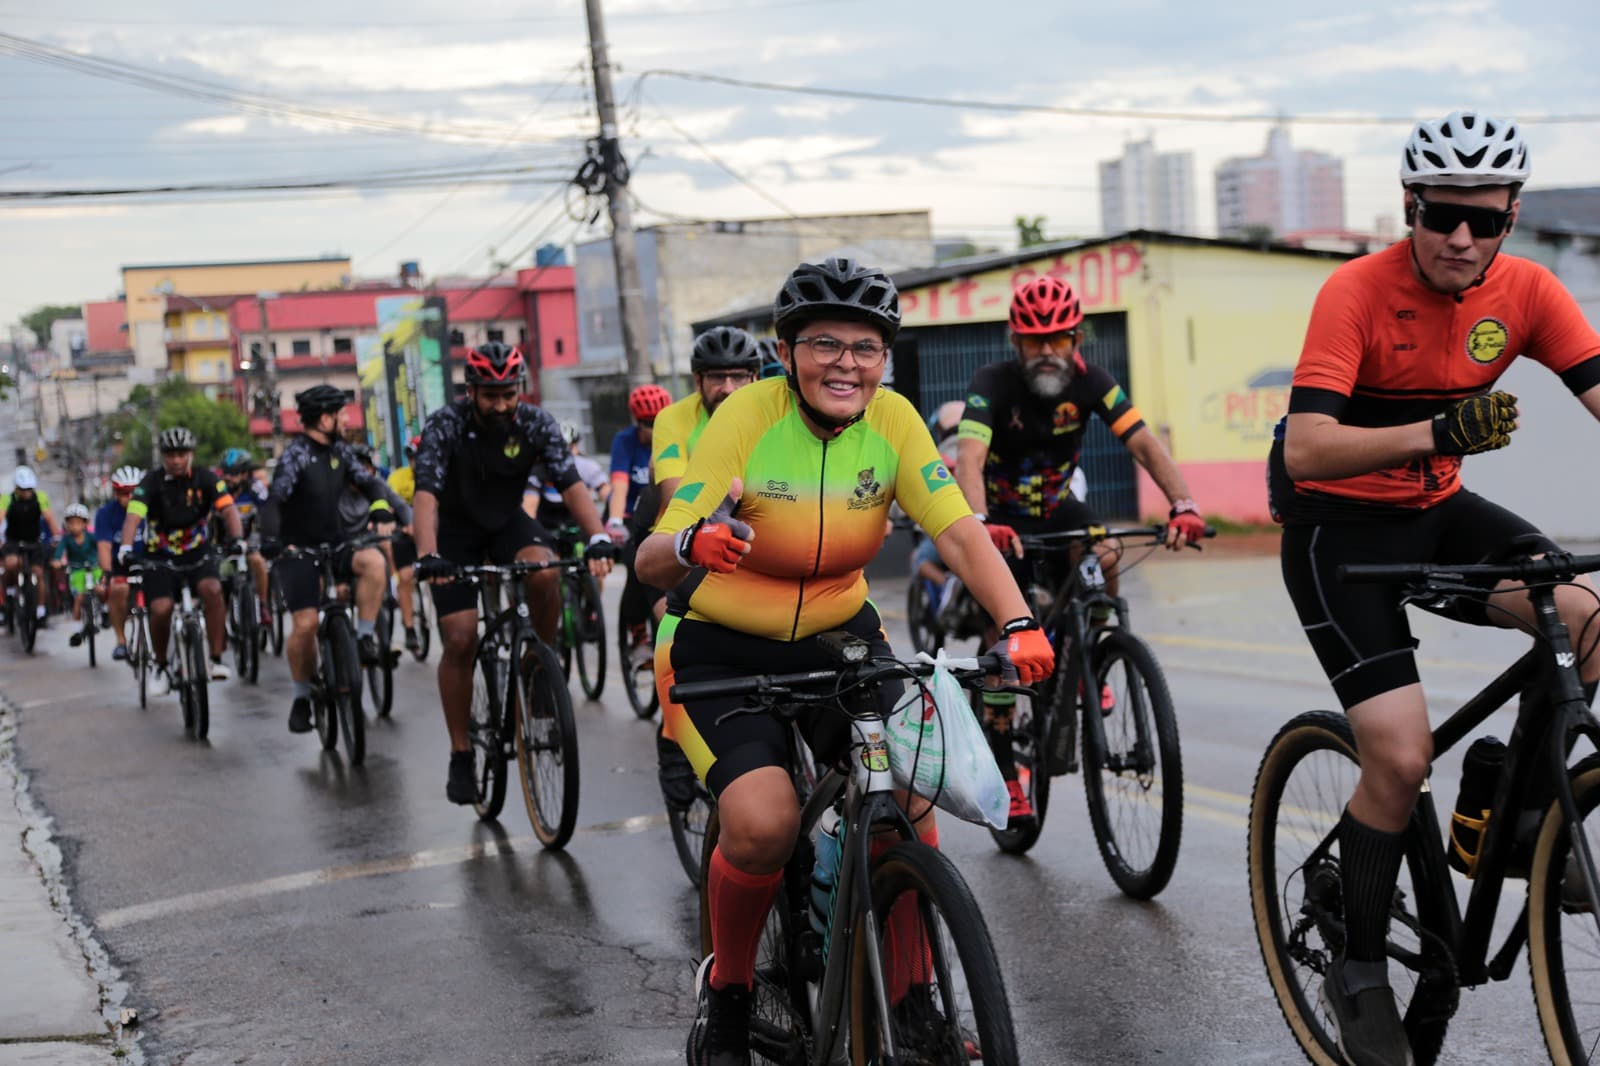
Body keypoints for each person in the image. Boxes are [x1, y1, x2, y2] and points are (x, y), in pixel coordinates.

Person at [633, 257, 1055, 1065]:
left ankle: (912, 997)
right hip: (720, 639)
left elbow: (958, 530)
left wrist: (1019, 622)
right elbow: (653, 553)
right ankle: (729, 996)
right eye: (824, 343)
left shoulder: (893, 421)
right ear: (786, 353)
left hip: (838, 633)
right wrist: (692, 542)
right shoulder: (746, 416)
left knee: (911, 791)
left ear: (884, 359)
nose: (846, 364)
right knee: (764, 825)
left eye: (866, 348)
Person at [1271, 110, 1600, 1066]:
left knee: (1585, 621)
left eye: (1483, 220)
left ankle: (1519, 819)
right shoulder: (1355, 292)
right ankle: (1359, 964)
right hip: (1337, 532)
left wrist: (1444, 451)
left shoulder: (1528, 290)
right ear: (1410, 206)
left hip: (1440, 511)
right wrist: (1440, 432)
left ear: (1511, 217)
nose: (1461, 237)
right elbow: (1306, 449)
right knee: (1401, 754)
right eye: (1441, 215)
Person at [954, 274, 1206, 827]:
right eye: (1034, 339)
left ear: (1076, 339)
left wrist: (1183, 504)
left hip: (1059, 509)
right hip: (1002, 519)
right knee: (1003, 639)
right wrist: (980, 521)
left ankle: (1091, 653)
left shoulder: (1096, 383)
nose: (1047, 350)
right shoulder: (991, 382)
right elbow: (969, 456)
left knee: (1107, 553)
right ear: (1016, 341)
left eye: (1058, 338)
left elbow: (1144, 443)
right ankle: (1006, 771)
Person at [410, 342, 616, 804]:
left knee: (544, 571)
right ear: (471, 391)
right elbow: (426, 495)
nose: (502, 404)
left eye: (509, 393)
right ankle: (461, 752)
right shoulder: (445, 424)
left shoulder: (536, 423)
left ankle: (540, 666)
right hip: (454, 533)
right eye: (491, 396)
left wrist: (598, 536)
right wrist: (427, 554)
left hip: (507, 523)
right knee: (460, 639)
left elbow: (570, 483)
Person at [646, 328, 763, 817]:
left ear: (756, 377)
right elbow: (677, 493)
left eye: (738, 376)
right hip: (685, 531)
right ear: (698, 381)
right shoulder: (674, 419)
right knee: (669, 618)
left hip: (756, 533)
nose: (728, 387)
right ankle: (671, 734)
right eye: (717, 377)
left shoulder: (771, 412)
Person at [258, 386, 396, 734]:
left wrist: (380, 507)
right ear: (324, 419)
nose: (346, 420)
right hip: (298, 551)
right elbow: (274, 502)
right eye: (341, 414)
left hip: (336, 544)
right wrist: (271, 540)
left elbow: (370, 483)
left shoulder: (341, 451)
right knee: (305, 625)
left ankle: (364, 637)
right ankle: (302, 697)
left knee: (375, 562)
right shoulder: (296, 456)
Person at [117, 427, 243, 691]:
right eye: (170, 455)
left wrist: (237, 539)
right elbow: (133, 516)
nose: (176, 460)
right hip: (159, 558)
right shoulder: (151, 482)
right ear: (163, 456)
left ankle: (215, 659)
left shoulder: (206, 478)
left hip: (198, 554)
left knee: (213, 590)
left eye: (181, 454)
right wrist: (125, 548)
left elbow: (229, 509)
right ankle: (161, 666)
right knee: (161, 609)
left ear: (191, 454)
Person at [95, 465, 146, 661]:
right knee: (118, 589)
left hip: (148, 560)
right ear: (116, 493)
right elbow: (104, 547)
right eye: (125, 493)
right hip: (120, 564)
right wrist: (107, 574)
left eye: (134, 492)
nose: (130, 497)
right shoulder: (105, 513)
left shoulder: (150, 508)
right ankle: (121, 641)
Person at [219, 448, 270, 627]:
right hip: (225, 541)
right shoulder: (219, 489)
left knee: (259, 562)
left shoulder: (255, 488)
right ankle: (221, 618)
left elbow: (269, 511)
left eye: (234, 474)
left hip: (251, 538)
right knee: (219, 575)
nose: (229, 478)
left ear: (245, 473)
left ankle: (262, 605)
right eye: (226, 473)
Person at [2, 465, 57, 629]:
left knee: (38, 573)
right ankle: (10, 590)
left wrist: (57, 536)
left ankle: (40, 610)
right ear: (16, 488)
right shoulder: (7, 499)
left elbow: (50, 519)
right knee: (11, 564)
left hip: (34, 541)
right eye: (22, 489)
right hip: (13, 541)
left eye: (29, 489)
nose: (26, 493)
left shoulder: (41, 497)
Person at [387, 435, 423, 652]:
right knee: (407, 576)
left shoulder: (439, 473)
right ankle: (409, 628)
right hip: (404, 532)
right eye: (412, 458)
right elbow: (390, 506)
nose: (415, 462)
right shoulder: (398, 478)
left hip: (431, 531)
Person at [51, 503, 100, 643]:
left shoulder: (91, 537)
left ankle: (105, 611)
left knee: (101, 589)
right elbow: (59, 552)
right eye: (71, 523)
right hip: (77, 571)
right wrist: (57, 561)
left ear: (85, 523)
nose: (75, 526)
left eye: (78, 523)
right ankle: (77, 629)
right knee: (79, 598)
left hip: (94, 569)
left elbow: (102, 548)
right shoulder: (66, 539)